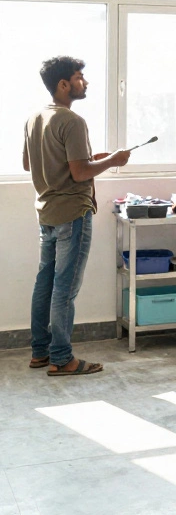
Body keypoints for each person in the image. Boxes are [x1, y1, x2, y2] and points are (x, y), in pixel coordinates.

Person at [24, 57, 131, 376]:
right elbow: (80, 171)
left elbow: (32, 164)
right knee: (64, 288)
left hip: (47, 212)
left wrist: (90, 159)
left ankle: (40, 352)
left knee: (45, 282)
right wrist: (113, 160)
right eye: (79, 77)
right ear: (63, 84)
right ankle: (62, 358)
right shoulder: (72, 121)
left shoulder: (35, 118)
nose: (85, 82)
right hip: (73, 212)